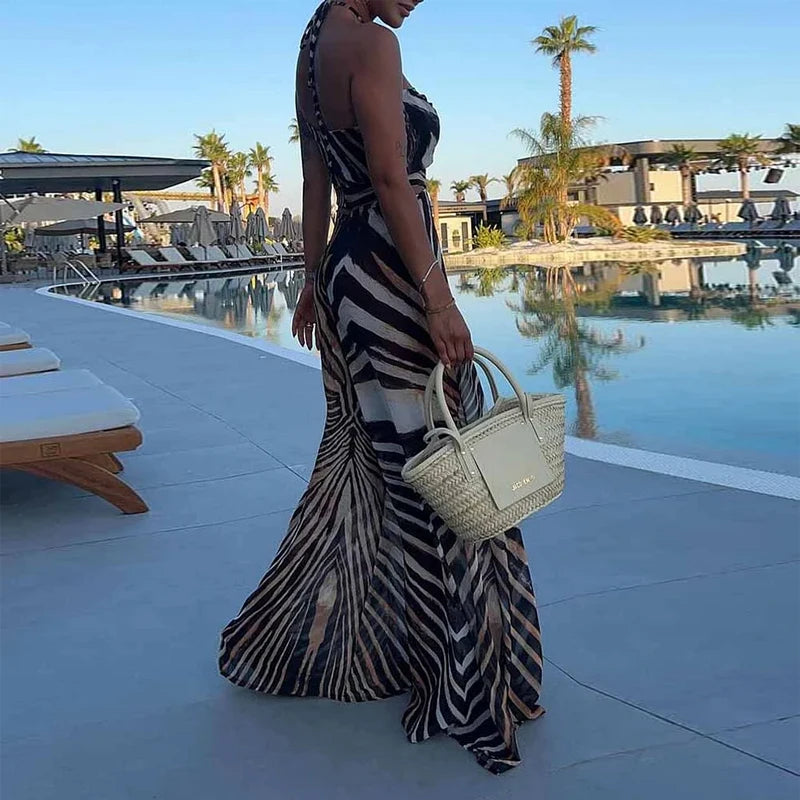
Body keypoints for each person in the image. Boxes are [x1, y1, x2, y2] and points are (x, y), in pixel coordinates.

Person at [218, 0, 544, 773]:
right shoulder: (371, 42)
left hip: (350, 272)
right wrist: (439, 300)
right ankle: (462, 680)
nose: (418, 0)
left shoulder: (313, 47)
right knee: (450, 475)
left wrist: (312, 280)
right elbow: (394, 180)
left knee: (395, 471)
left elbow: (316, 179)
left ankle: (400, 647)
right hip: (394, 274)